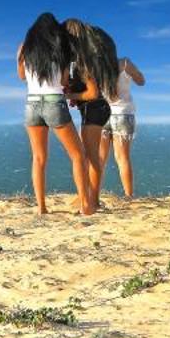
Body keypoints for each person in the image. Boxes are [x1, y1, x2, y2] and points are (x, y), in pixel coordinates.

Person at [17, 13, 94, 215]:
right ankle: (86, 205)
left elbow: (22, 76)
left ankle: (41, 207)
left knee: (39, 158)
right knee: (78, 155)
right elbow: (63, 81)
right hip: (53, 103)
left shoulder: (25, 50)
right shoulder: (60, 49)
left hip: (31, 103)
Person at [65, 20, 117, 211]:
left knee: (91, 157)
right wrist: (76, 97)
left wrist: (70, 95)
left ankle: (93, 200)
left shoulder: (83, 62)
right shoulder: (84, 59)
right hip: (95, 109)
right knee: (89, 156)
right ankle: (89, 198)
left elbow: (92, 93)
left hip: (95, 108)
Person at [100, 55, 144, 198]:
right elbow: (141, 81)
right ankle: (128, 196)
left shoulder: (95, 67)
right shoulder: (125, 63)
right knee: (122, 158)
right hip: (123, 114)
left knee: (100, 158)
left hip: (101, 114)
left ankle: (94, 193)